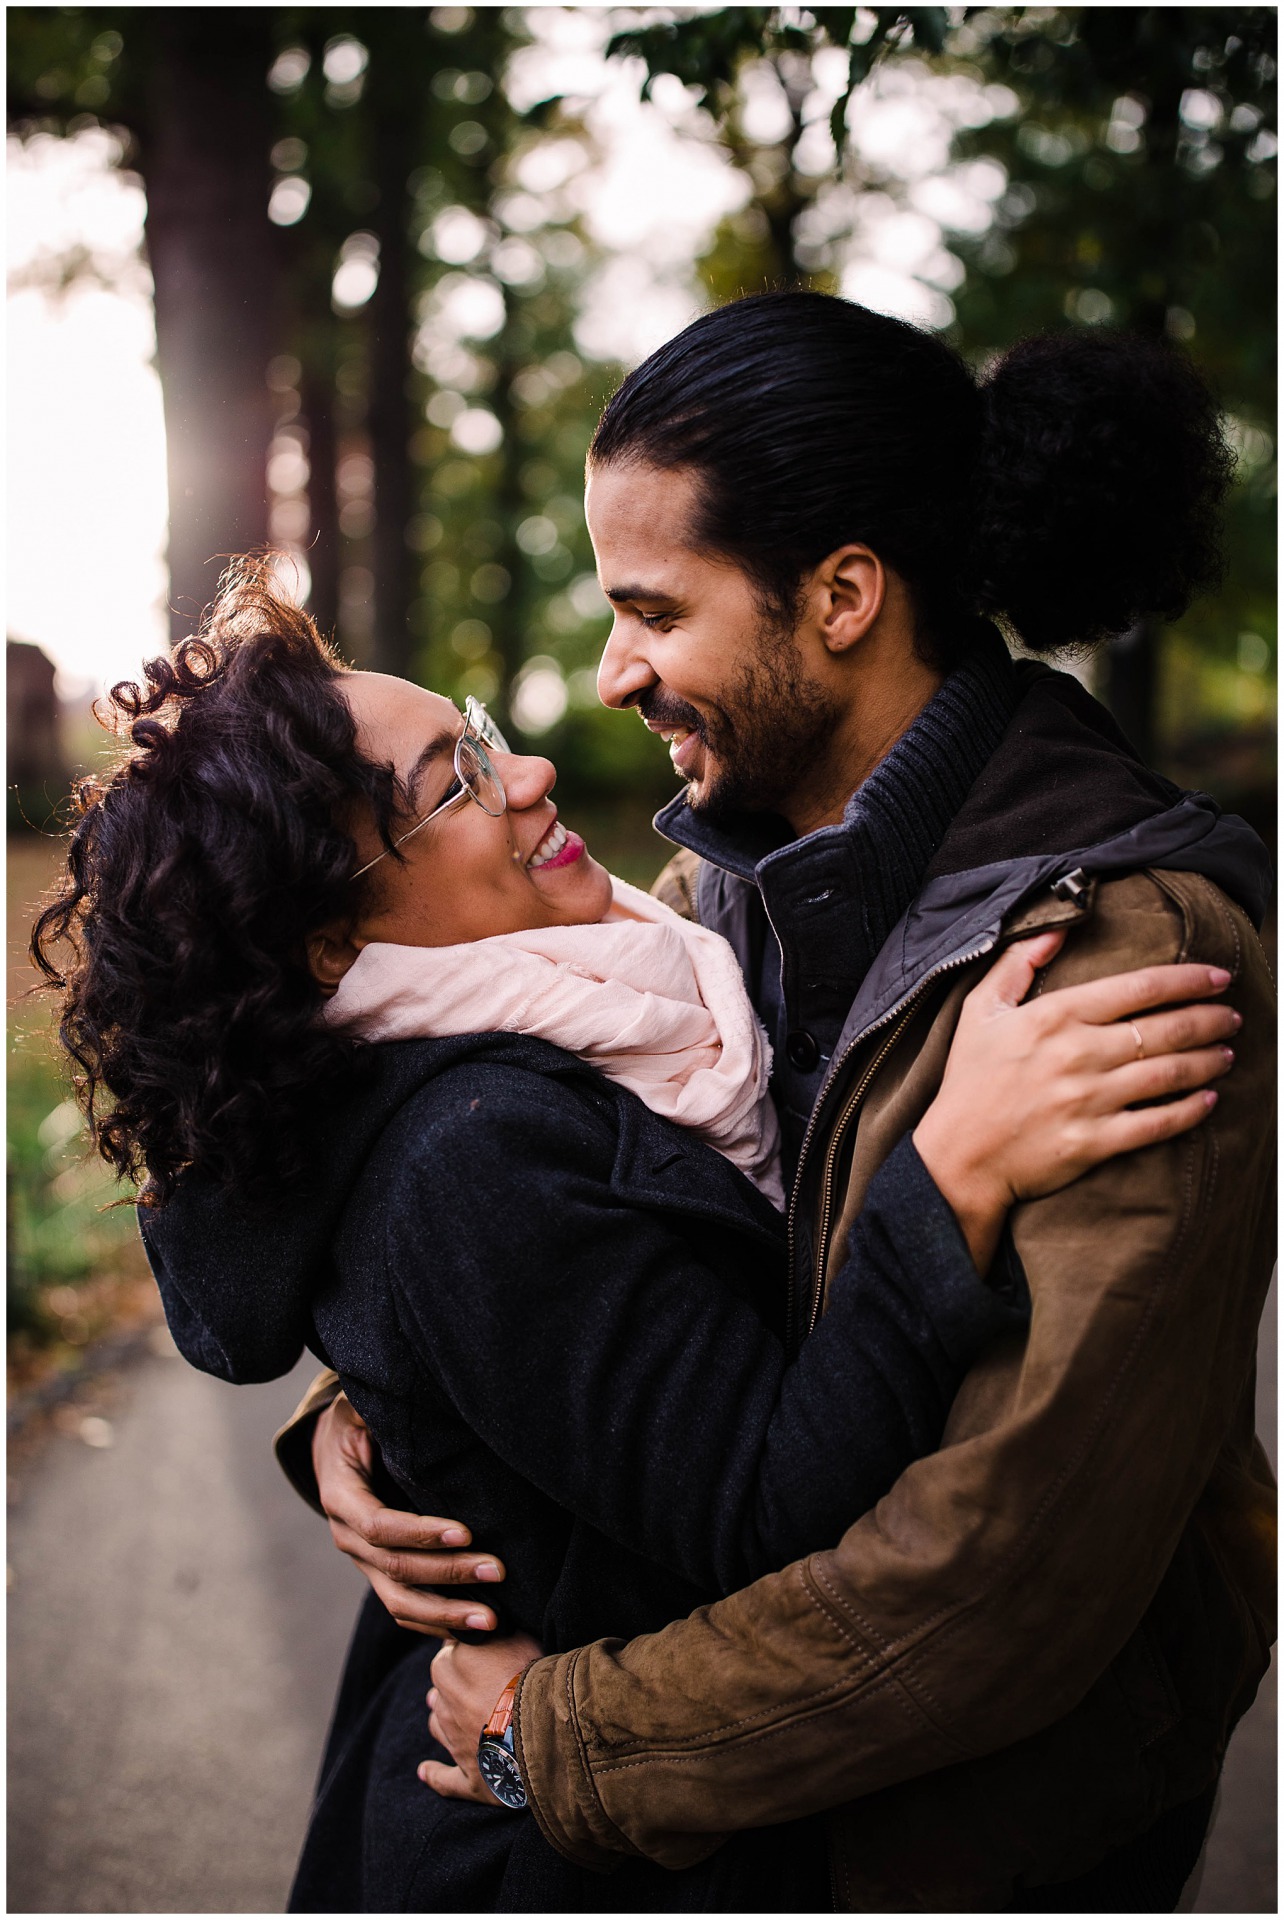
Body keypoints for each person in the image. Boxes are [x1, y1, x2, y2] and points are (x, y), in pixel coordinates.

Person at [33, 562, 1236, 1913]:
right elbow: (765, 1508)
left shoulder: (535, 1026)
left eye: (477, 733)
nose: (533, 769)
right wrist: (946, 1172)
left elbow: (553, 1342)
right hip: (551, 1854)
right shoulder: (474, 1152)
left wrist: (384, 1409)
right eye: (455, 784)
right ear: (325, 947)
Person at [296, 293, 1276, 1912]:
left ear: (840, 596)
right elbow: (591, 1257)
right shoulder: (722, 888)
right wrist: (374, 1416)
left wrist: (569, 1735)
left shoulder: (1113, 958)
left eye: (655, 611)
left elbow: (1002, 1579)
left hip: (970, 1847)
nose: (612, 674)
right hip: (750, 1817)